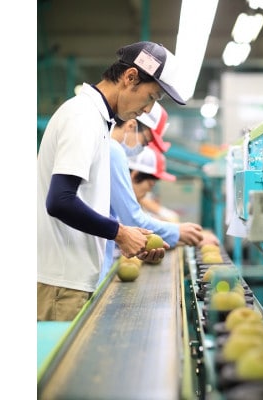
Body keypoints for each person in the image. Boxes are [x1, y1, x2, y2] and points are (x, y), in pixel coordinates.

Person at [37, 41, 186, 321]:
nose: (147, 109)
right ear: (130, 77)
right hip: (61, 283)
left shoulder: (97, 120)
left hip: (70, 280)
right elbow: (60, 201)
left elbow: (83, 203)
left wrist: (131, 238)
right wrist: (119, 233)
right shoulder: (82, 117)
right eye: (151, 97)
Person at [99, 102, 204, 282]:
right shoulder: (113, 151)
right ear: (131, 125)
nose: (143, 147)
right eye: (145, 141)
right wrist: (177, 231)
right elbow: (132, 219)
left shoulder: (105, 149)